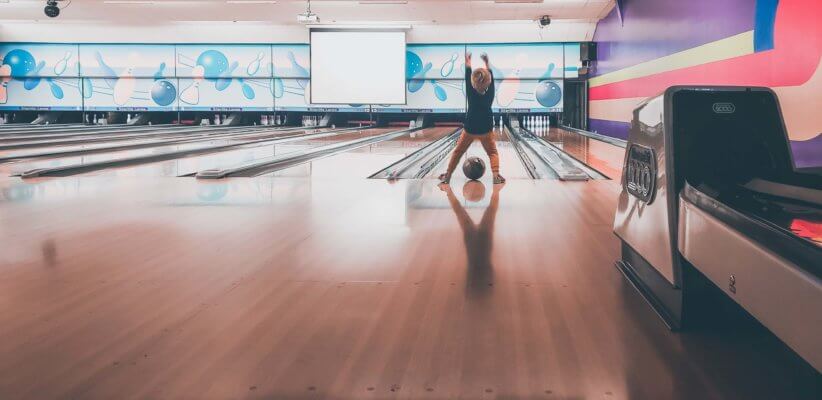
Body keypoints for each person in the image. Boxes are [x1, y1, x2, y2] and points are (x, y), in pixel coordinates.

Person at [439, 52, 505, 185]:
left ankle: (448, 175)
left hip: (470, 128)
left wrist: (468, 61)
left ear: (472, 84)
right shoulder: (491, 92)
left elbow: (467, 74)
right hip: (486, 129)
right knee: (492, 152)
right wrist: (487, 62)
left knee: (458, 152)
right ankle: (496, 175)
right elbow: (490, 76)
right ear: (489, 82)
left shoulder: (470, 92)